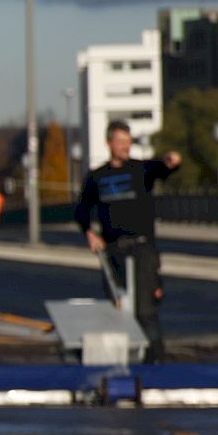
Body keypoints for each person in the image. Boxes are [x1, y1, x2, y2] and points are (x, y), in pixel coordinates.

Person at [75, 119, 184, 361]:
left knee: (146, 309)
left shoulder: (140, 170)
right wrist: (89, 233)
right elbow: (81, 210)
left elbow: (162, 167)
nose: (125, 146)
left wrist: (172, 161)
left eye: (128, 141)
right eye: (120, 141)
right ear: (109, 143)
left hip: (142, 249)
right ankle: (124, 359)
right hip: (113, 250)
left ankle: (155, 362)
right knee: (118, 307)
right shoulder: (97, 177)